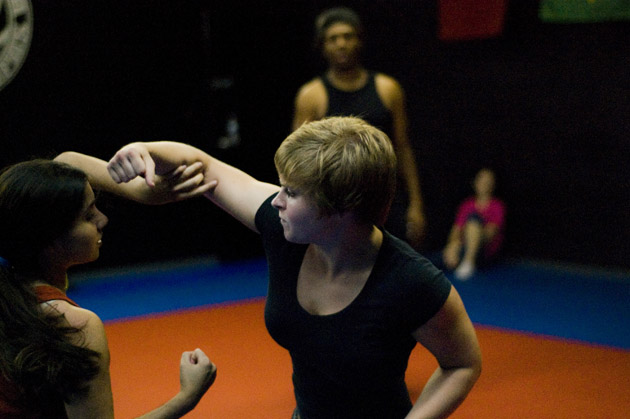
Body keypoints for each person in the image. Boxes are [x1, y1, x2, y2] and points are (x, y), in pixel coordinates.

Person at [60, 116, 482, 418]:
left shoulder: (410, 282)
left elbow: (463, 363)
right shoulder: (285, 230)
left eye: (292, 193)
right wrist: (146, 151)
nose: (276, 200)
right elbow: (205, 166)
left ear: (342, 210)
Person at [0, 159, 217, 418]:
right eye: (88, 215)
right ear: (50, 239)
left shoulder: (11, 291)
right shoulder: (73, 325)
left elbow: (64, 162)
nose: (103, 219)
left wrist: (141, 190)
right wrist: (187, 396)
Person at [292, 7, 426, 248]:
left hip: (386, 201)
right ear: (322, 46)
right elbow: (298, 161)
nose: (341, 44)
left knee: (394, 273)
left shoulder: (388, 89)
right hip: (335, 207)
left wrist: (415, 204)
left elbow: (403, 148)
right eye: (333, 39)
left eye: (347, 36)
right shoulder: (311, 96)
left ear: (359, 41)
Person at [442, 168, 506, 281]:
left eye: (488, 181)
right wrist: (453, 246)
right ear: (475, 183)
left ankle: (468, 262)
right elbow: (456, 230)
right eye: (481, 180)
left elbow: (490, 235)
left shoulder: (497, 206)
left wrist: (473, 234)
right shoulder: (466, 205)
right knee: (433, 261)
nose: (484, 184)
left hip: (483, 253)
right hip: (461, 247)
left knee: (473, 219)